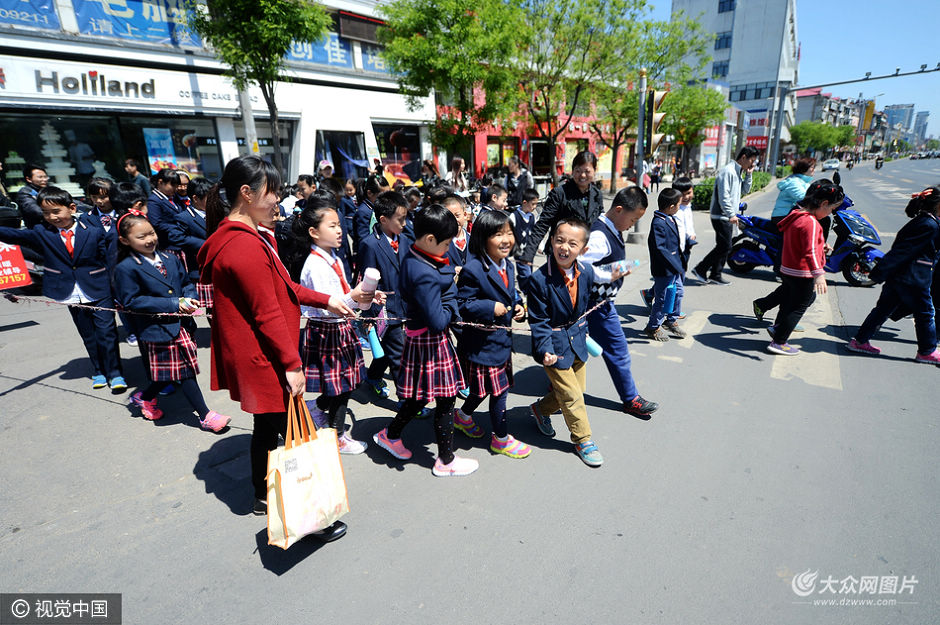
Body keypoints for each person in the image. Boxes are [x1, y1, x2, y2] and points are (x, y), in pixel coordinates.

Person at [196, 155, 354, 540]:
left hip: (261, 353)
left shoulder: (246, 236)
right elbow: (267, 311)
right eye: (273, 193)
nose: (279, 202)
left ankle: (261, 496)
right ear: (247, 194)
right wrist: (292, 364)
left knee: (267, 429)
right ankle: (311, 513)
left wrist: (325, 300)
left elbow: (283, 287)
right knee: (297, 433)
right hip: (265, 356)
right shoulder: (242, 245)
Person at [371, 205, 479, 477]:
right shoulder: (425, 273)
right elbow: (439, 320)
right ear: (430, 240)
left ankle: (391, 434)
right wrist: (451, 302)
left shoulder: (414, 255)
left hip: (419, 337)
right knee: (445, 397)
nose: (447, 249)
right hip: (429, 340)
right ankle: (445, 460)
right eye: (445, 244)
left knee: (422, 396)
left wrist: (447, 292)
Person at [113, 211, 230, 431]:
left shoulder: (170, 258)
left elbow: (185, 283)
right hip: (156, 328)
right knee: (184, 370)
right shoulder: (125, 268)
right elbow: (131, 301)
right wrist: (174, 303)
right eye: (141, 237)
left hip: (181, 325)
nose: (149, 239)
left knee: (168, 372)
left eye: (151, 233)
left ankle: (144, 397)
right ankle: (206, 416)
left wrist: (190, 297)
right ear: (124, 241)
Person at [0, 186, 125, 391]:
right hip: (69, 291)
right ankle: (99, 371)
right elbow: (14, 235)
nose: (51, 217)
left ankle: (115, 372)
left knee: (107, 332)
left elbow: (108, 259)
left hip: (99, 288)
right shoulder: (42, 232)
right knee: (88, 335)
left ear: (72, 208)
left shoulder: (93, 231)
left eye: (56, 211)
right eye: (46, 213)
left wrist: (115, 286)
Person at [294, 195, 379, 454]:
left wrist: (365, 295)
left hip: (339, 328)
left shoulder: (333, 258)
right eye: (331, 226)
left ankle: (318, 409)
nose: (339, 230)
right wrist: (354, 297)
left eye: (339, 224)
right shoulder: (316, 265)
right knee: (342, 386)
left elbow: (341, 300)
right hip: (327, 330)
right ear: (313, 232)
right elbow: (329, 305)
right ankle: (337, 436)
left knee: (343, 384)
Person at [452, 210, 530, 458]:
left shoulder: (507, 264)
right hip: (482, 345)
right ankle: (501, 438)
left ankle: (463, 416)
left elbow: (511, 293)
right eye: (499, 234)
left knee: (482, 389)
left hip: (501, 342)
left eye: (509, 233)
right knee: (499, 392)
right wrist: (489, 307)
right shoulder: (473, 269)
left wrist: (519, 306)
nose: (506, 239)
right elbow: (462, 304)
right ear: (483, 238)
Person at [527, 218, 603, 467]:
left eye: (572, 243)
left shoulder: (587, 272)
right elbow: (538, 320)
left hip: (579, 340)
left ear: (583, 249)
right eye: (559, 240)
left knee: (575, 392)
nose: (564, 247)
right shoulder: (540, 279)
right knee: (572, 396)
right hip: (554, 346)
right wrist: (544, 349)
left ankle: (540, 410)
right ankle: (583, 440)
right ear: (551, 241)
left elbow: (583, 308)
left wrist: (587, 332)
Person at [582, 186, 658, 418]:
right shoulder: (599, 236)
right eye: (633, 218)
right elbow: (581, 267)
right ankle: (631, 398)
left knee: (577, 353)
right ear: (618, 209)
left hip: (600, 304)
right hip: (598, 306)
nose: (633, 224)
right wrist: (611, 273)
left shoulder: (610, 229)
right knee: (618, 351)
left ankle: (556, 389)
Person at [847, 186, 940, 363]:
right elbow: (903, 251)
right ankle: (927, 352)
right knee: (926, 313)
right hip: (913, 277)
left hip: (901, 276)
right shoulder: (929, 225)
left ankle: (859, 341)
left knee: (883, 310)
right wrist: (880, 271)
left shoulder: (923, 221)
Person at [761, 181, 843, 356]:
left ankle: (778, 329)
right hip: (802, 272)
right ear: (823, 204)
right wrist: (819, 274)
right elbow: (810, 250)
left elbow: (805, 243)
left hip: (788, 269)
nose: (829, 214)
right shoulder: (812, 223)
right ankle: (779, 341)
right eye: (830, 210)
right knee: (799, 306)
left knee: (791, 301)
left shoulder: (796, 215)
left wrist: (822, 245)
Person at [358, 191, 412, 402]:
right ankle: (406, 402)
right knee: (399, 357)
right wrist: (369, 316)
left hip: (406, 306)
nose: (405, 223)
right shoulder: (370, 244)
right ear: (383, 220)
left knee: (389, 350)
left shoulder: (406, 240)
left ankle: (372, 377)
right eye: (400, 219)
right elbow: (368, 283)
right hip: (385, 310)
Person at [518, 151, 604, 267]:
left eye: (587, 171)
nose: (582, 175)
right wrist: (528, 255)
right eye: (578, 171)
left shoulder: (597, 195)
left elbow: (600, 225)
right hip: (560, 254)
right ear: (572, 171)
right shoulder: (560, 194)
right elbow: (543, 224)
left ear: (594, 170)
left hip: (584, 255)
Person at [692, 146, 759, 285]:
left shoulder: (737, 172)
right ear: (744, 157)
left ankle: (715, 274)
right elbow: (724, 197)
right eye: (751, 160)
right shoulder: (727, 171)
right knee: (725, 246)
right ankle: (701, 269)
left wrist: (749, 174)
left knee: (724, 246)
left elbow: (744, 190)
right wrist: (730, 214)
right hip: (721, 215)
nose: (752, 164)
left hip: (728, 216)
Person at [644, 188, 686, 342]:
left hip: (674, 267)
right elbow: (661, 249)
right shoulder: (658, 223)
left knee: (678, 293)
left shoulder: (669, 218)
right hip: (664, 269)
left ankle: (671, 319)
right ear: (671, 206)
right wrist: (675, 265)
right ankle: (653, 327)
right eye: (679, 205)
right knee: (662, 299)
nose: (680, 207)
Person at [169, 176, 210, 285]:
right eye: (208, 198)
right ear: (195, 198)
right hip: (200, 270)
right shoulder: (184, 217)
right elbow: (176, 237)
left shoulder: (217, 212)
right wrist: (206, 244)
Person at [509, 187, 539, 294]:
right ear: (525, 202)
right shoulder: (514, 216)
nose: (535, 207)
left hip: (530, 250)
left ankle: (525, 288)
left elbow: (536, 233)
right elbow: (509, 232)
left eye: (536, 204)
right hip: (520, 251)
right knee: (526, 273)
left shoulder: (532, 217)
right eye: (533, 204)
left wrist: (540, 246)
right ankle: (527, 292)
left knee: (529, 271)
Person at [146, 168, 181, 250]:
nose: (176, 189)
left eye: (177, 186)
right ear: (160, 182)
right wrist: (178, 227)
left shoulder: (174, 197)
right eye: (173, 185)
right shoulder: (154, 201)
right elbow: (156, 223)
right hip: (169, 245)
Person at [16, 163, 49, 229]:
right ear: (29, 179)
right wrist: (53, 215)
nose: (44, 179)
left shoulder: (48, 189)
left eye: (45, 177)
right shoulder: (25, 192)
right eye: (40, 177)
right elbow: (34, 210)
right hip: (38, 228)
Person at [353, 175, 381, 252]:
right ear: (369, 193)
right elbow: (364, 239)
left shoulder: (375, 208)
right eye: (381, 195)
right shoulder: (363, 211)